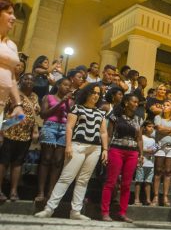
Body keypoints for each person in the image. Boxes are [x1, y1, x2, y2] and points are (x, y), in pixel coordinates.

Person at [35, 83, 108, 220]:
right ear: (87, 93)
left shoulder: (100, 112)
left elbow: (103, 132)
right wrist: (68, 145)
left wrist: (105, 149)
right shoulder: (76, 108)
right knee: (66, 178)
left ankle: (75, 212)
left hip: (94, 148)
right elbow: (69, 127)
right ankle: (49, 209)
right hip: (78, 145)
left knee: (83, 181)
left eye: (98, 93)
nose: (96, 95)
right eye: (93, 92)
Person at [101, 93, 143, 222]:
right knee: (111, 182)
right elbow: (108, 135)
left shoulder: (139, 119)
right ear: (126, 103)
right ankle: (105, 212)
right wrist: (105, 150)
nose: (136, 105)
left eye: (137, 103)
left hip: (132, 153)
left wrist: (141, 154)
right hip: (116, 150)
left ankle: (122, 213)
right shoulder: (115, 117)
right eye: (134, 102)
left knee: (126, 184)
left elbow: (139, 138)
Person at [0, 73, 40, 202]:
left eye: (31, 79)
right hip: (9, 132)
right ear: (20, 80)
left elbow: (33, 116)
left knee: (18, 163)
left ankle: (13, 191)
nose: (29, 81)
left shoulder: (34, 96)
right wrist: (1, 131)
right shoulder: (14, 93)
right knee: (3, 162)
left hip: (25, 136)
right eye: (26, 79)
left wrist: (34, 130)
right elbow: (4, 111)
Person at [35, 77, 73, 202]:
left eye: (69, 86)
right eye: (65, 85)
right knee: (46, 159)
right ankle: (40, 192)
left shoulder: (71, 101)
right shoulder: (48, 97)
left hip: (63, 130)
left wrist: (66, 102)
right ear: (58, 85)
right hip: (49, 127)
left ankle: (50, 192)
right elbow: (43, 114)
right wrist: (61, 102)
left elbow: (70, 116)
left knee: (57, 162)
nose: (67, 87)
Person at [152, 100, 171, 206]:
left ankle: (165, 196)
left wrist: (166, 130)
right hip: (159, 145)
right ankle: (155, 196)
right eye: (164, 105)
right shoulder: (158, 117)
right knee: (158, 170)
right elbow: (158, 128)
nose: (164, 107)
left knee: (168, 171)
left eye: (167, 105)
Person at [0, 0, 24, 125]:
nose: (14, 17)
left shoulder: (12, 46)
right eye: (9, 13)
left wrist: (17, 104)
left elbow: (12, 77)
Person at [134, 121, 156, 206]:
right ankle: (136, 199)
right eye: (149, 126)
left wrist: (154, 150)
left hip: (151, 163)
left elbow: (154, 149)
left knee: (148, 181)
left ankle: (147, 199)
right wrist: (147, 151)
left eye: (153, 127)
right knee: (139, 181)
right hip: (142, 162)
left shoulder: (153, 140)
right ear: (144, 128)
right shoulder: (141, 137)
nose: (151, 128)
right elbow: (138, 148)